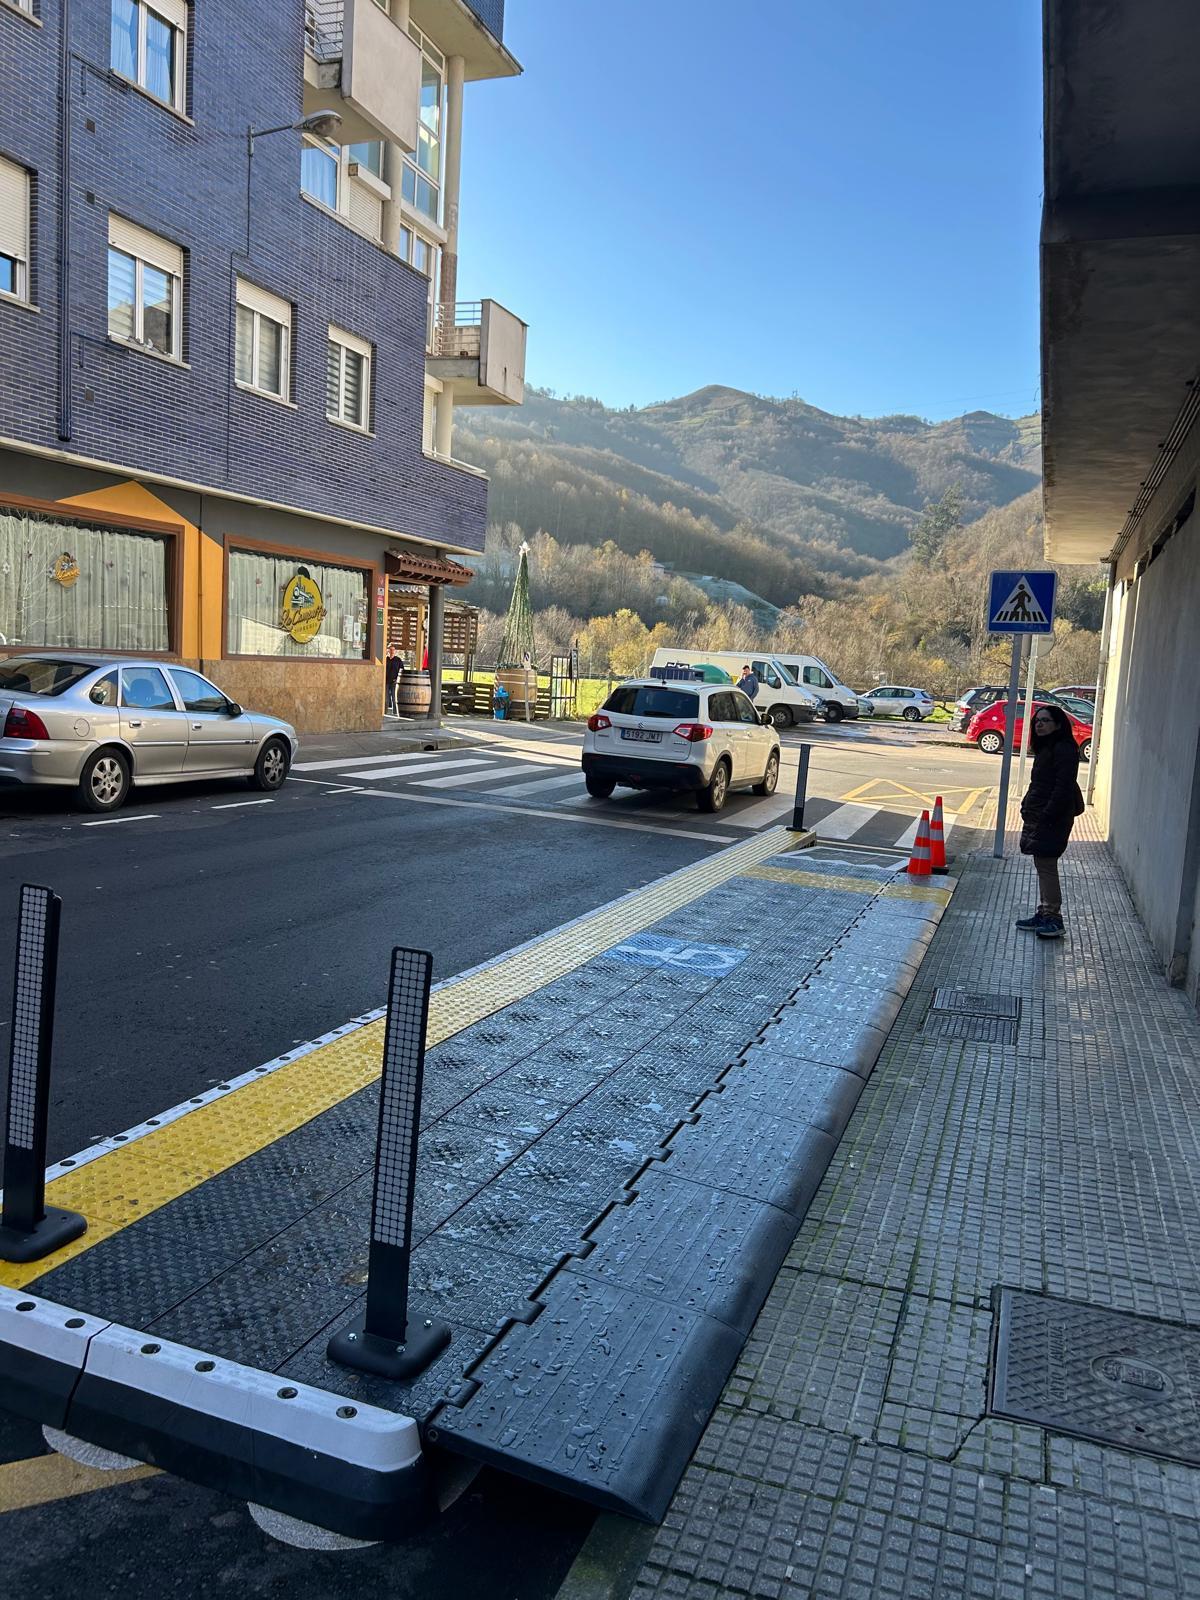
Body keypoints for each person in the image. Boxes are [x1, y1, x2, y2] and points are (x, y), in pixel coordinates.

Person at [1016, 703, 1085, 940]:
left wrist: (1047, 814)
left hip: (1052, 817)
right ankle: (1045, 912)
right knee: (1042, 864)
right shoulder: (1048, 748)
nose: (1040, 724)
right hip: (1041, 814)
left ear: (1058, 724)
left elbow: (1062, 786)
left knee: (1046, 865)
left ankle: (1053, 918)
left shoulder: (1063, 749)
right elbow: (1040, 784)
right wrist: (1027, 804)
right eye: (1037, 721)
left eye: (1045, 720)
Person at [385, 645, 401, 715]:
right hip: (386, 682)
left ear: (395, 651)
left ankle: (395, 713)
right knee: (386, 698)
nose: (392, 651)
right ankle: (384, 712)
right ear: (388, 651)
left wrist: (398, 679)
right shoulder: (385, 659)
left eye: (393, 650)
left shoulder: (398, 660)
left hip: (394, 681)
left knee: (394, 698)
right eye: (390, 649)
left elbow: (401, 670)